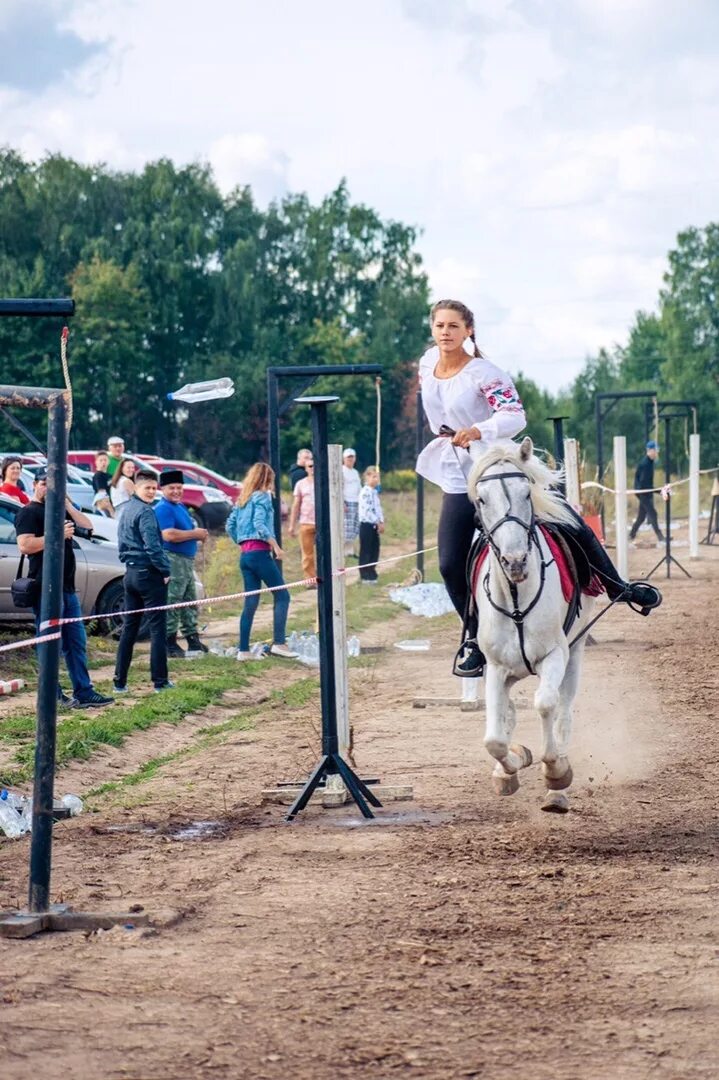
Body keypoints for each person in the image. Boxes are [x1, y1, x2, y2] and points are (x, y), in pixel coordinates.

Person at [415, 298, 662, 675]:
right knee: (449, 562)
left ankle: (618, 587)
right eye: (439, 326)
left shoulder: (486, 372)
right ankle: (475, 638)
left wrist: (480, 429)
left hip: (501, 461)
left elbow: (514, 415)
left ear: (468, 331)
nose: (445, 332)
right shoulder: (427, 365)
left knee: (565, 517)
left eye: (453, 326)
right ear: (432, 329)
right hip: (458, 469)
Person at [15, 469, 114, 708]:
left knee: (76, 642)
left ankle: (84, 691)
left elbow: (87, 525)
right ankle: (52, 693)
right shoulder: (28, 513)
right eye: (44, 485)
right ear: (35, 485)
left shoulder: (59, 510)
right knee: (50, 642)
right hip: (45, 588)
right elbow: (25, 545)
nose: (49, 490)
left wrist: (67, 504)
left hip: (67, 588)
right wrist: (56, 534)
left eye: (55, 486)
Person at [226, 463, 298, 660]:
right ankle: (279, 643)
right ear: (267, 479)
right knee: (282, 595)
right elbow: (259, 523)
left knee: (250, 602)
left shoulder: (243, 499)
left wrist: (241, 540)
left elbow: (229, 525)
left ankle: (243, 650)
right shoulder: (263, 496)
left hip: (245, 556)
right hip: (260, 553)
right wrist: (275, 546)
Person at [113, 469, 173, 694]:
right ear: (136, 488)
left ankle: (119, 682)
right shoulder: (146, 512)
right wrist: (165, 570)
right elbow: (153, 547)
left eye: (153, 488)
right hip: (148, 574)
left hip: (130, 574)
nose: (151, 492)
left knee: (129, 628)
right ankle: (160, 681)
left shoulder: (126, 510)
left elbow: (121, 544)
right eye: (147, 487)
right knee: (158, 628)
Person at [154, 469, 209, 657]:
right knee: (173, 600)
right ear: (163, 489)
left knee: (189, 600)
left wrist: (197, 533)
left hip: (186, 560)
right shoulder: (163, 508)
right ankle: (169, 642)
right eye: (172, 488)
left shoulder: (180, 506)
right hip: (173, 559)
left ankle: (192, 639)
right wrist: (195, 534)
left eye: (179, 487)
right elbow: (168, 534)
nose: (176, 491)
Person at [288, 459, 316, 585]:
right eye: (310, 466)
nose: (313, 468)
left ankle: (326, 577)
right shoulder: (300, 484)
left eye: (315, 466)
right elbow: (296, 504)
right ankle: (310, 580)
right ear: (306, 468)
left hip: (322, 523)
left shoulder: (324, 482)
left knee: (325, 552)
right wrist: (291, 525)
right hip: (306, 522)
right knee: (307, 554)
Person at [630, 440, 664, 543]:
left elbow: (647, 483)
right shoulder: (645, 464)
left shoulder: (650, 462)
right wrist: (659, 491)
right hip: (642, 493)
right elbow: (644, 484)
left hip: (644, 492)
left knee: (641, 517)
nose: (657, 452)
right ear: (649, 451)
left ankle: (631, 535)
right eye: (655, 450)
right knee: (653, 514)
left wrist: (659, 491)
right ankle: (661, 537)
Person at [358, 466, 384, 583]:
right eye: (373, 476)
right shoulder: (365, 492)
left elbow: (378, 508)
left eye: (377, 477)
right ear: (367, 477)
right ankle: (365, 574)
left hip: (375, 525)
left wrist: (381, 521)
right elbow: (367, 510)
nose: (376, 479)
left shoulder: (374, 493)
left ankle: (372, 572)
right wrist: (376, 521)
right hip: (367, 524)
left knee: (375, 549)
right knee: (366, 550)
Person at [342, 448, 361, 558]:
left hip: (356, 501)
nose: (350, 459)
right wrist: (342, 502)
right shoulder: (342, 470)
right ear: (344, 458)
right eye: (348, 457)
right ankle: (343, 549)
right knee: (346, 527)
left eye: (352, 457)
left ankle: (350, 550)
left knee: (354, 527)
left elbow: (359, 487)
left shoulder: (355, 472)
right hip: (347, 502)